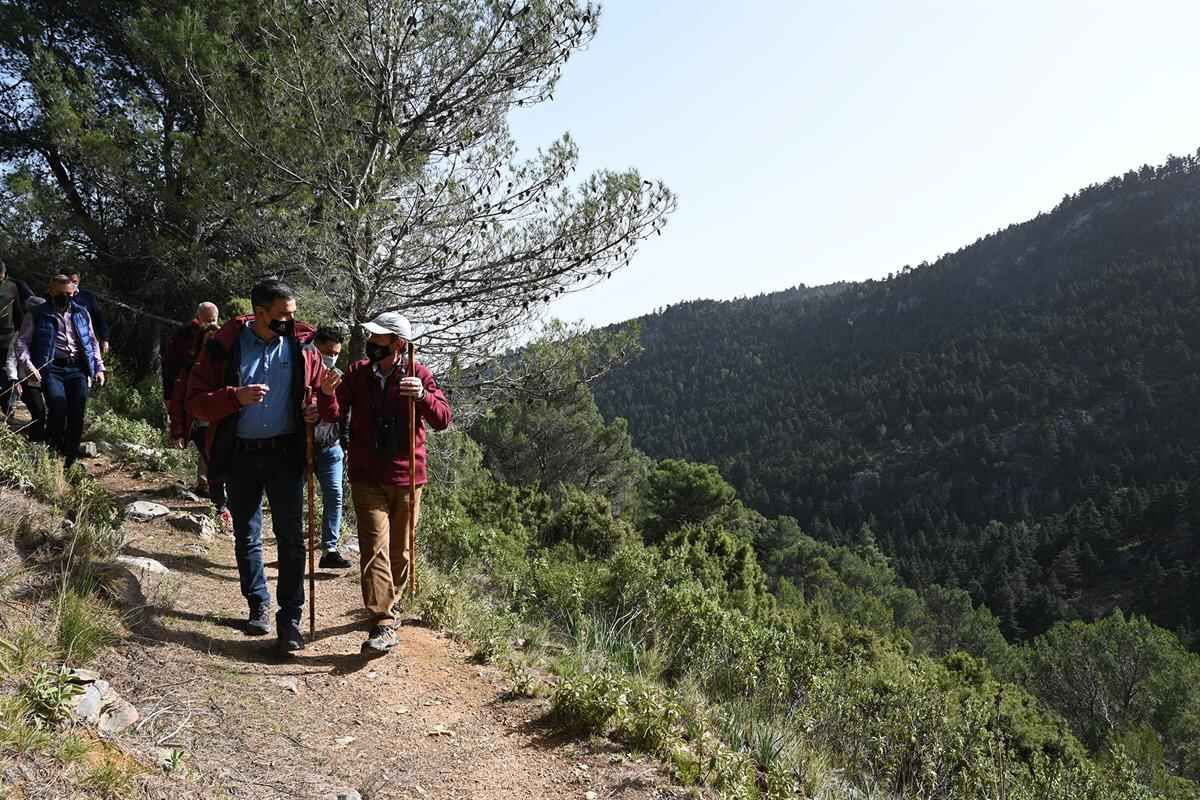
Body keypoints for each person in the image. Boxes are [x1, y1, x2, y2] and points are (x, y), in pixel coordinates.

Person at [186, 280, 334, 654]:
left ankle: (290, 619)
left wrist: (317, 407)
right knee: (247, 534)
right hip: (240, 454)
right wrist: (233, 397)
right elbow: (195, 402)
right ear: (261, 312)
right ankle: (258, 604)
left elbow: (321, 394)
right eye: (284, 313)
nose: (291, 319)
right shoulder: (224, 348)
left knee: (291, 538)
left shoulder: (302, 349)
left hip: (286, 453)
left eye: (293, 313)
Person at [321, 311, 452, 655]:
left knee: (402, 552)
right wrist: (323, 395)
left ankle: (388, 604)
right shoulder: (357, 374)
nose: (372, 345)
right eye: (372, 339)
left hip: (408, 478)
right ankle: (382, 620)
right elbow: (335, 411)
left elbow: (443, 419)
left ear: (398, 344)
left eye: (379, 339)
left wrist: (423, 396)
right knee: (373, 548)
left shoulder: (418, 374)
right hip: (366, 476)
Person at [14, 276, 105, 465]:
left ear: (73, 293)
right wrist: (29, 365)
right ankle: (52, 451)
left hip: (78, 368)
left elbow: (91, 341)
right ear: (51, 292)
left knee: (77, 411)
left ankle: (70, 458)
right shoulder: (38, 314)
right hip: (51, 367)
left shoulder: (81, 313)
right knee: (58, 406)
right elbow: (22, 341)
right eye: (61, 293)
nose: (65, 297)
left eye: (69, 294)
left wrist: (99, 367)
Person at [169, 322, 230, 531]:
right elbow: (179, 400)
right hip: (199, 425)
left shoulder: (227, 366)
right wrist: (177, 430)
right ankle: (221, 506)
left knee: (221, 466)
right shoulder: (190, 368)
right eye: (206, 341)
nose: (210, 345)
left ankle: (225, 504)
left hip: (222, 423)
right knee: (213, 464)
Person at [304, 327, 352, 569]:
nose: (332, 357)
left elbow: (342, 413)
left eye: (336, 353)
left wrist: (344, 443)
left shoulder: (337, 376)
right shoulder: (301, 368)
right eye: (328, 352)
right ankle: (289, 548)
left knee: (334, 495)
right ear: (316, 347)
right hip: (302, 445)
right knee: (292, 498)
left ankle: (329, 549)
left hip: (331, 445)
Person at [164, 302, 220, 491]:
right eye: (208, 319)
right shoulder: (184, 336)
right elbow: (170, 365)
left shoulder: (220, 337)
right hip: (189, 394)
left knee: (212, 445)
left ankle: (210, 486)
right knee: (205, 443)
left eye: (213, 319)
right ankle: (208, 486)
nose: (211, 323)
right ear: (198, 317)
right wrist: (169, 394)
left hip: (213, 401)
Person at [0, 258, 26, 418]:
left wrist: (22, 333)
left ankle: (8, 405)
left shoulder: (12, 287)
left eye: (1, 276)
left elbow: (18, 312)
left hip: (7, 337)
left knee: (7, 372)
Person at [65, 270, 109, 356]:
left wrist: (105, 338)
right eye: (69, 281)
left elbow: (99, 317)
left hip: (85, 341)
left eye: (75, 281)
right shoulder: (56, 296)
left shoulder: (87, 297)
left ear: (79, 281)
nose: (72, 284)